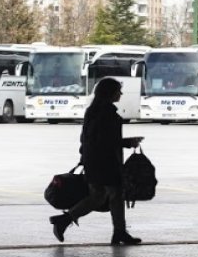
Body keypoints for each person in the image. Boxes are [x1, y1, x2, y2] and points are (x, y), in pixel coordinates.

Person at [49, 78, 145, 246]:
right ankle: (118, 232)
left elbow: (87, 138)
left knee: (100, 196)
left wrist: (85, 157)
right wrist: (127, 142)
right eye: (118, 91)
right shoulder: (106, 113)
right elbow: (105, 141)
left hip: (93, 161)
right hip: (105, 162)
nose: (120, 94)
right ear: (109, 92)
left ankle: (67, 220)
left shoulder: (93, 111)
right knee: (113, 195)